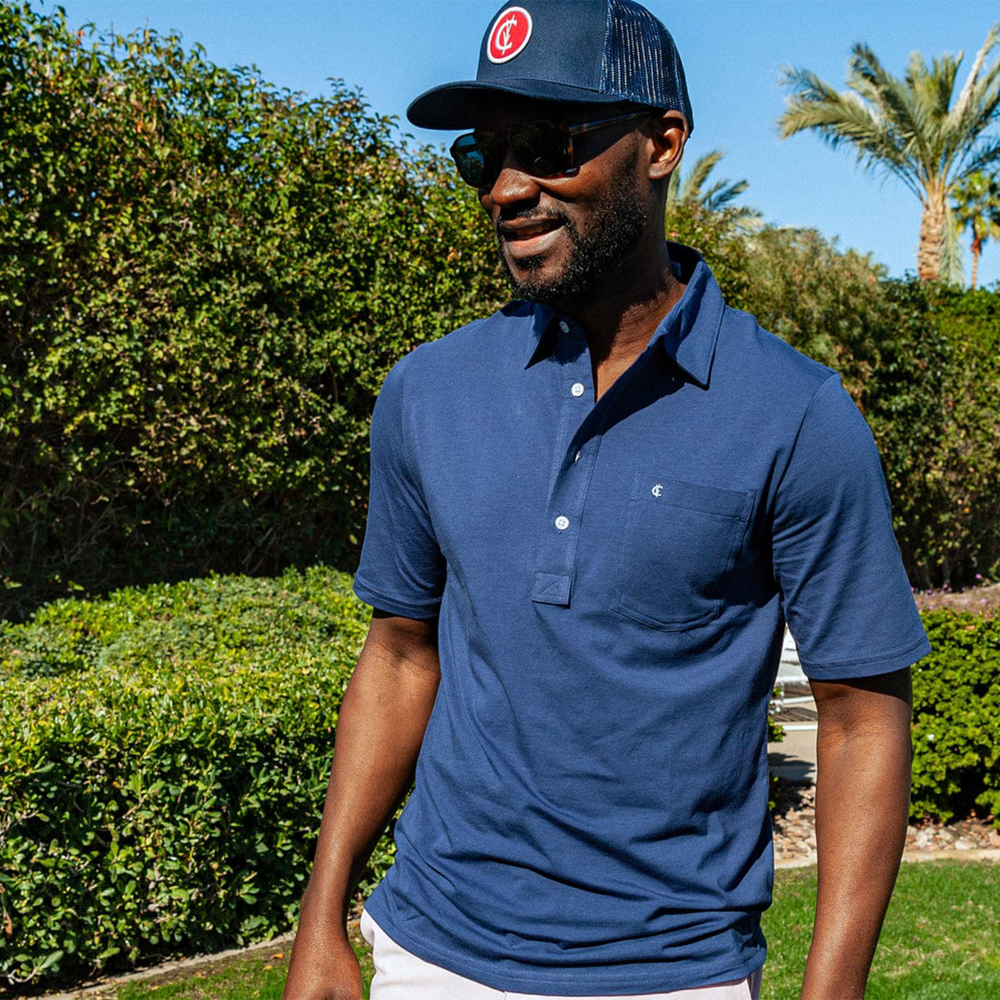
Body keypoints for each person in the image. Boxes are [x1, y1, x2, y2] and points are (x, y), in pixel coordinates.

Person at [282, 2, 929, 998]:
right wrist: (321, 916)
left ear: (661, 144)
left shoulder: (794, 414)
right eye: (483, 155)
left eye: (548, 146)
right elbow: (401, 653)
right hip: (428, 954)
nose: (507, 188)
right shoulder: (429, 391)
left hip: (672, 971)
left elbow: (859, 722)